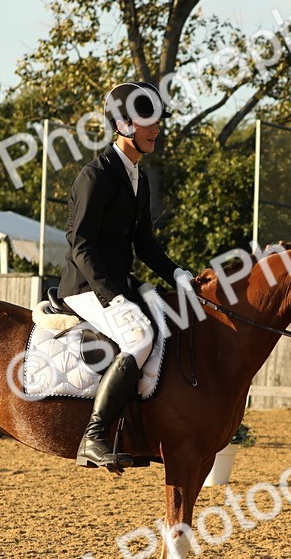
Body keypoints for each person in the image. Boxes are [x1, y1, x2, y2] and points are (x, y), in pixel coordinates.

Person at [58, 81, 194, 471]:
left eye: (158, 120)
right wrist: (112, 295)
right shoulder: (95, 176)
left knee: (171, 324)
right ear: (122, 124)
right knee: (139, 338)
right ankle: (94, 437)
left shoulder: (140, 177)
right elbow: (80, 244)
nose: (156, 129)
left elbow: (145, 245)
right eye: (147, 120)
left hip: (119, 281)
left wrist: (178, 274)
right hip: (86, 285)